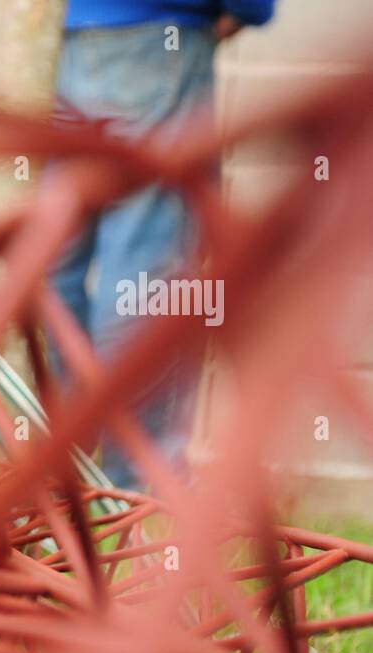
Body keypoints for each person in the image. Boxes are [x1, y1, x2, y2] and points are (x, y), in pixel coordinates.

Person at [50, 0, 276, 489]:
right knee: (146, 269)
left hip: (70, 36)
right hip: (161, 33)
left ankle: (68, 475)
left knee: (60, 261)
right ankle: (134, 489)